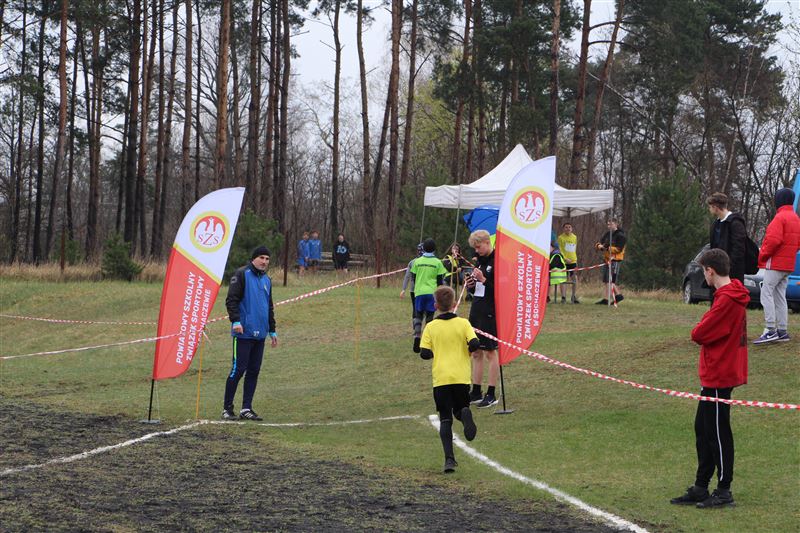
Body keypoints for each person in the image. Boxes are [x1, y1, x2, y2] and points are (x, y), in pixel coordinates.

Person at [670, 248, 748, 509]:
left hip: (720, 373)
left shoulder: (727, 300)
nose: (704, 276)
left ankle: (724, 489)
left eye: (704, 271)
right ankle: (701, 486)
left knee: (718, 432)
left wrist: (701, 328)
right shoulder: (726, 296)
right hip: (714, 372)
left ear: (710, 271)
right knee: (703, 429)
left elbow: (700, 333)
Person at [419, 286, 480, 473]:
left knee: (445, 418)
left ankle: (449, 460)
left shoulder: (431, 327)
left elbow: (424, 353)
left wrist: (435, 352)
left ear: (435, 305)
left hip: (441, 378)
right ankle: (464, 414)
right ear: (454, 304)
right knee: (460, 409)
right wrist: (468, 350)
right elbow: (475, 343)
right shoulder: (463, 323)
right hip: (461, 377)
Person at [222, 246, 279, 421]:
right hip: (243, 333)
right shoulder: (241, 274)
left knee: (254, 371)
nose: (264, 261)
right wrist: (236, 321)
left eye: (267, 259)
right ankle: (227, 409)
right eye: (261, 257)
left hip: (260, 334)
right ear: (254, 258)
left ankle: (246, 408)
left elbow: (269, 307)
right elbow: (231, 300)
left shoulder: (267, 280)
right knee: (238, 370)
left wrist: (272, 330)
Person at [754, 188, 800, 344]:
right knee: (780, 296)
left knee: (766, 293)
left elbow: (773, 241)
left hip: (776, 263)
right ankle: (782, 331)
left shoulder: (779, 218)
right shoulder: (796, 218)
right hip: (788, 265)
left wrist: (762, 255)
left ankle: (770, 330)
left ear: (779, 200)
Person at [465, 229, 500, 409]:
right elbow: (478, 289)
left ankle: (491, 393)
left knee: (490, 352)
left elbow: (499, 291)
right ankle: (476, 391)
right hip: (476, 310)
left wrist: (484, 280)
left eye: (478, 247)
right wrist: (471, 285)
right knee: (476, 352)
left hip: (490, 311)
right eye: (475, 248)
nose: (476, 251)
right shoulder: (478, 261)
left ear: (487, 242)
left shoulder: (498, 261)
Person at [410, 238, 448, 353]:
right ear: (434, 249)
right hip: (432, 293)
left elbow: (413, 277)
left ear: (423, 248)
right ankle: (426, 344)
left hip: (419, 292)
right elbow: (440, 281)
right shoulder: (438, 262)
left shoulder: (417, 262)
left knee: (418, 315)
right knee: (429, 318)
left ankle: (417, 337)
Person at [707, 193, 747, 283]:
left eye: (710, 207)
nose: (709, 209)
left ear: (715, 207)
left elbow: (739, 249)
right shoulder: (715, 224)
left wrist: (728, 267)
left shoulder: (736, 223)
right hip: (717, 271)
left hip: (732, 274)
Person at [594, 218, 626, 305]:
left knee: (610, 280)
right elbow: (600, 243)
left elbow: (619, 249)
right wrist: (599, 246)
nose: (609, 226)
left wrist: (607, 248)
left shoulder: (621, 235)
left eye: (611, 224)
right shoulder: (608, 234)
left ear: (616, 224)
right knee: (606, 280)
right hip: (606, 259)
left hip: (615, 260)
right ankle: (616, 296)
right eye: (608, 224)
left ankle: (608, 298)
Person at [400, 244, 424, 333]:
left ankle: (416, 326)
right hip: (423, 290)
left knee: (415, 308)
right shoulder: (429, 262)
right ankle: (418, 325)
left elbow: (407, 277)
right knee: (422, 309)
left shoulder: (412, 262)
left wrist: (403, 289)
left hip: (413, 290)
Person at [557, 222, 580, 303]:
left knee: (574, 278)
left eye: (569, 227)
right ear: (563, 229)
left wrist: (575, 259)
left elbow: (574, 248)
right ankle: (563, 297)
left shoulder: (574, 237)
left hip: (573, 261)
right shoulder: (560, 238)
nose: (568, 229)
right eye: (566, 227)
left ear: (572, 228)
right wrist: (565, 258)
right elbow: (559, 249)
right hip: (564, 261)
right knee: (563, 279)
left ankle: (573, 296)